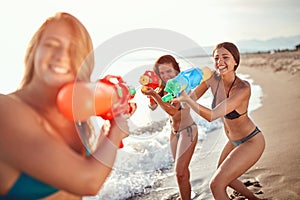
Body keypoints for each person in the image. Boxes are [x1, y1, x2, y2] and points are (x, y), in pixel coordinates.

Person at [0, 12, 131, 200]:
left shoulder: (74, 116)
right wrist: (116, 132)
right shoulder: (6, 110)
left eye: (74, 50)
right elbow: (89, 181)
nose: (62, 56)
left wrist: (109, 128)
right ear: (34, 50)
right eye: (51, 45)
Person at [174, 42, 265, 200]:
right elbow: (192, 98)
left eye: (225, 57)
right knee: (225, 178)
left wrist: (187, 100)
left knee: (216, 184)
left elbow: (212, 115)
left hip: (251, 141)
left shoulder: (243, 88)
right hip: (232, 141)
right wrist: (175, 98)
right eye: (216, 58)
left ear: (235, 61)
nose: (220, 61)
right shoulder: (212, 79)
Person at [141, 55, 198, 200]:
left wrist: (154, 95)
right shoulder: (164, 88)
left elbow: (172, 110)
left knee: (179, 171)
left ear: (177, 71)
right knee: (181, 170)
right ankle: (184, 196)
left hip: (188, 131)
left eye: (169, 71)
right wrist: (151, 95)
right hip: (174, 132)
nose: (166, 76)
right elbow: (153, 107)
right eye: (162, 73)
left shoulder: (181, 87)